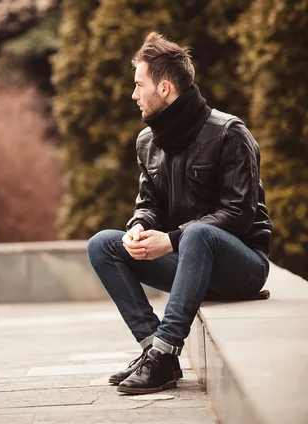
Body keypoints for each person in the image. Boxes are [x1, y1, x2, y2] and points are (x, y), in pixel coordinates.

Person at [87, 31, 272, 396]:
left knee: (199, 233)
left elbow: (239, 214)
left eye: (140, 85)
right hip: (188, 262)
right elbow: (149, 202)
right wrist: (139, 226)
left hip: (243, 265)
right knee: (102, 244)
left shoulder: (229, 133)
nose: (134, 95)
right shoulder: (147, 141)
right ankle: (156, 353)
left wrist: (171, 240)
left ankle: (167, 348)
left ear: (166, 88)